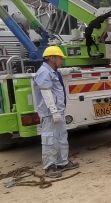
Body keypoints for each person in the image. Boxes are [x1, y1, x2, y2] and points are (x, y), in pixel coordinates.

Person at [33, 46, 79, 176]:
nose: (62, 60)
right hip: (50, 114)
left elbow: (61, 72)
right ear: (52, 59)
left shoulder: (52, 71)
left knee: (61, 137)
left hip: (58, 112)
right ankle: (49, 167)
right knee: (50, 139)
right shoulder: (44, 72)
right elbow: (46, 93)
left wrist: (72, 69)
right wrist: (54, 112)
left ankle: (62, 162)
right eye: (60, 58)